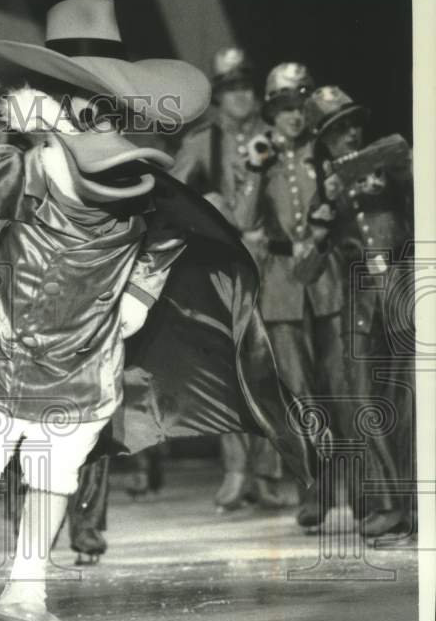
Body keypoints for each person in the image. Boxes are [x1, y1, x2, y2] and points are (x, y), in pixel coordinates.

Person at [0, 0, 314, 621]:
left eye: (23, 89)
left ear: (65, 104)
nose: (9, 100)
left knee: (52, 475)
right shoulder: (24, 170)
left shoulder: (134, 182)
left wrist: (137, 294)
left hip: (79, 366)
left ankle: (27, 587)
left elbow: (168, 236)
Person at [172, 47, 287, 514]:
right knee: (230, 372)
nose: (241, 96)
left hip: (277, 269)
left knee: (275, 372)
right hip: (226, 270)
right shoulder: (204, 141)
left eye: (246, 86)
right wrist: (206, 205)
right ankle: (236, 471)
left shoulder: (278, 135)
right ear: (218, 97)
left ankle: (269, 474)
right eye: (231, 89)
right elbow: (172, 195)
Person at [234, 64, 348, 526]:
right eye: (284, 109)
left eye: (298, 107)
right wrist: (256, 170)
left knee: (341, 388)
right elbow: (243, 219)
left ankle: (360, 496)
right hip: (282, 285)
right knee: (300, 397)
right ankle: (313, 493)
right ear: (271, 113)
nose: (293, 117)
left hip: (325, 280)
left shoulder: (322, 152)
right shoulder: (261, 155)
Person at [301, 85, 415, 537]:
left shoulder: (386, 161)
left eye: (350, 123)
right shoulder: (324, 194)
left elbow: (401, 148)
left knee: (406, 399)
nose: (348, 133)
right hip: (359, 298)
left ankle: (416, 505)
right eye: (336, 130)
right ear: (323, 141)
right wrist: (324, 212)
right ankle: (388, 505)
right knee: (363, 402)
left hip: (402, 284)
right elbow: (305, 272)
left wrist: (347, 172)